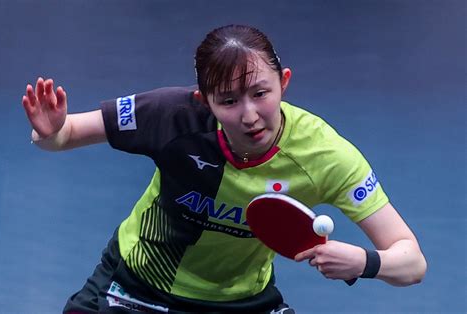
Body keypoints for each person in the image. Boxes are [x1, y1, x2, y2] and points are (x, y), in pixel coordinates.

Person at [22, 25, 427, 313]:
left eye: (261, 93)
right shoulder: (170, 116)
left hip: (240, 302)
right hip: (134, 287)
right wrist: (51, 130)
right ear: (204, 100)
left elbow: (411, 263)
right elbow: (64, 134)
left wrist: (364, 262)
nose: (249, 114)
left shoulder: (326, 156)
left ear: (284, 82)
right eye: (229, 101)